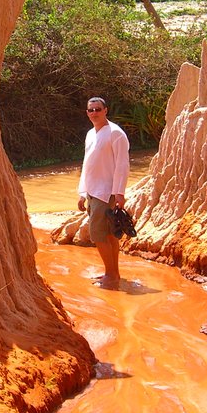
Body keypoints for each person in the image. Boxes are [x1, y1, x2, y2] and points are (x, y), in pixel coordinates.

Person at [77, 97, 130, 288]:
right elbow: (87, 164)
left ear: (105, 110)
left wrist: (119, 194)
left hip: (106, 192)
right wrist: (82, 192)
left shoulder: (116, 133)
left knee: (98, 234)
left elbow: (122, 166)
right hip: (92, 191)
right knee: (109, 235)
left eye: (97, 109)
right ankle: (113, 273)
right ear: (87, 113)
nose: (94, 113)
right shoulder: (91, 134)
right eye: (90, 110)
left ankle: (110, 275)